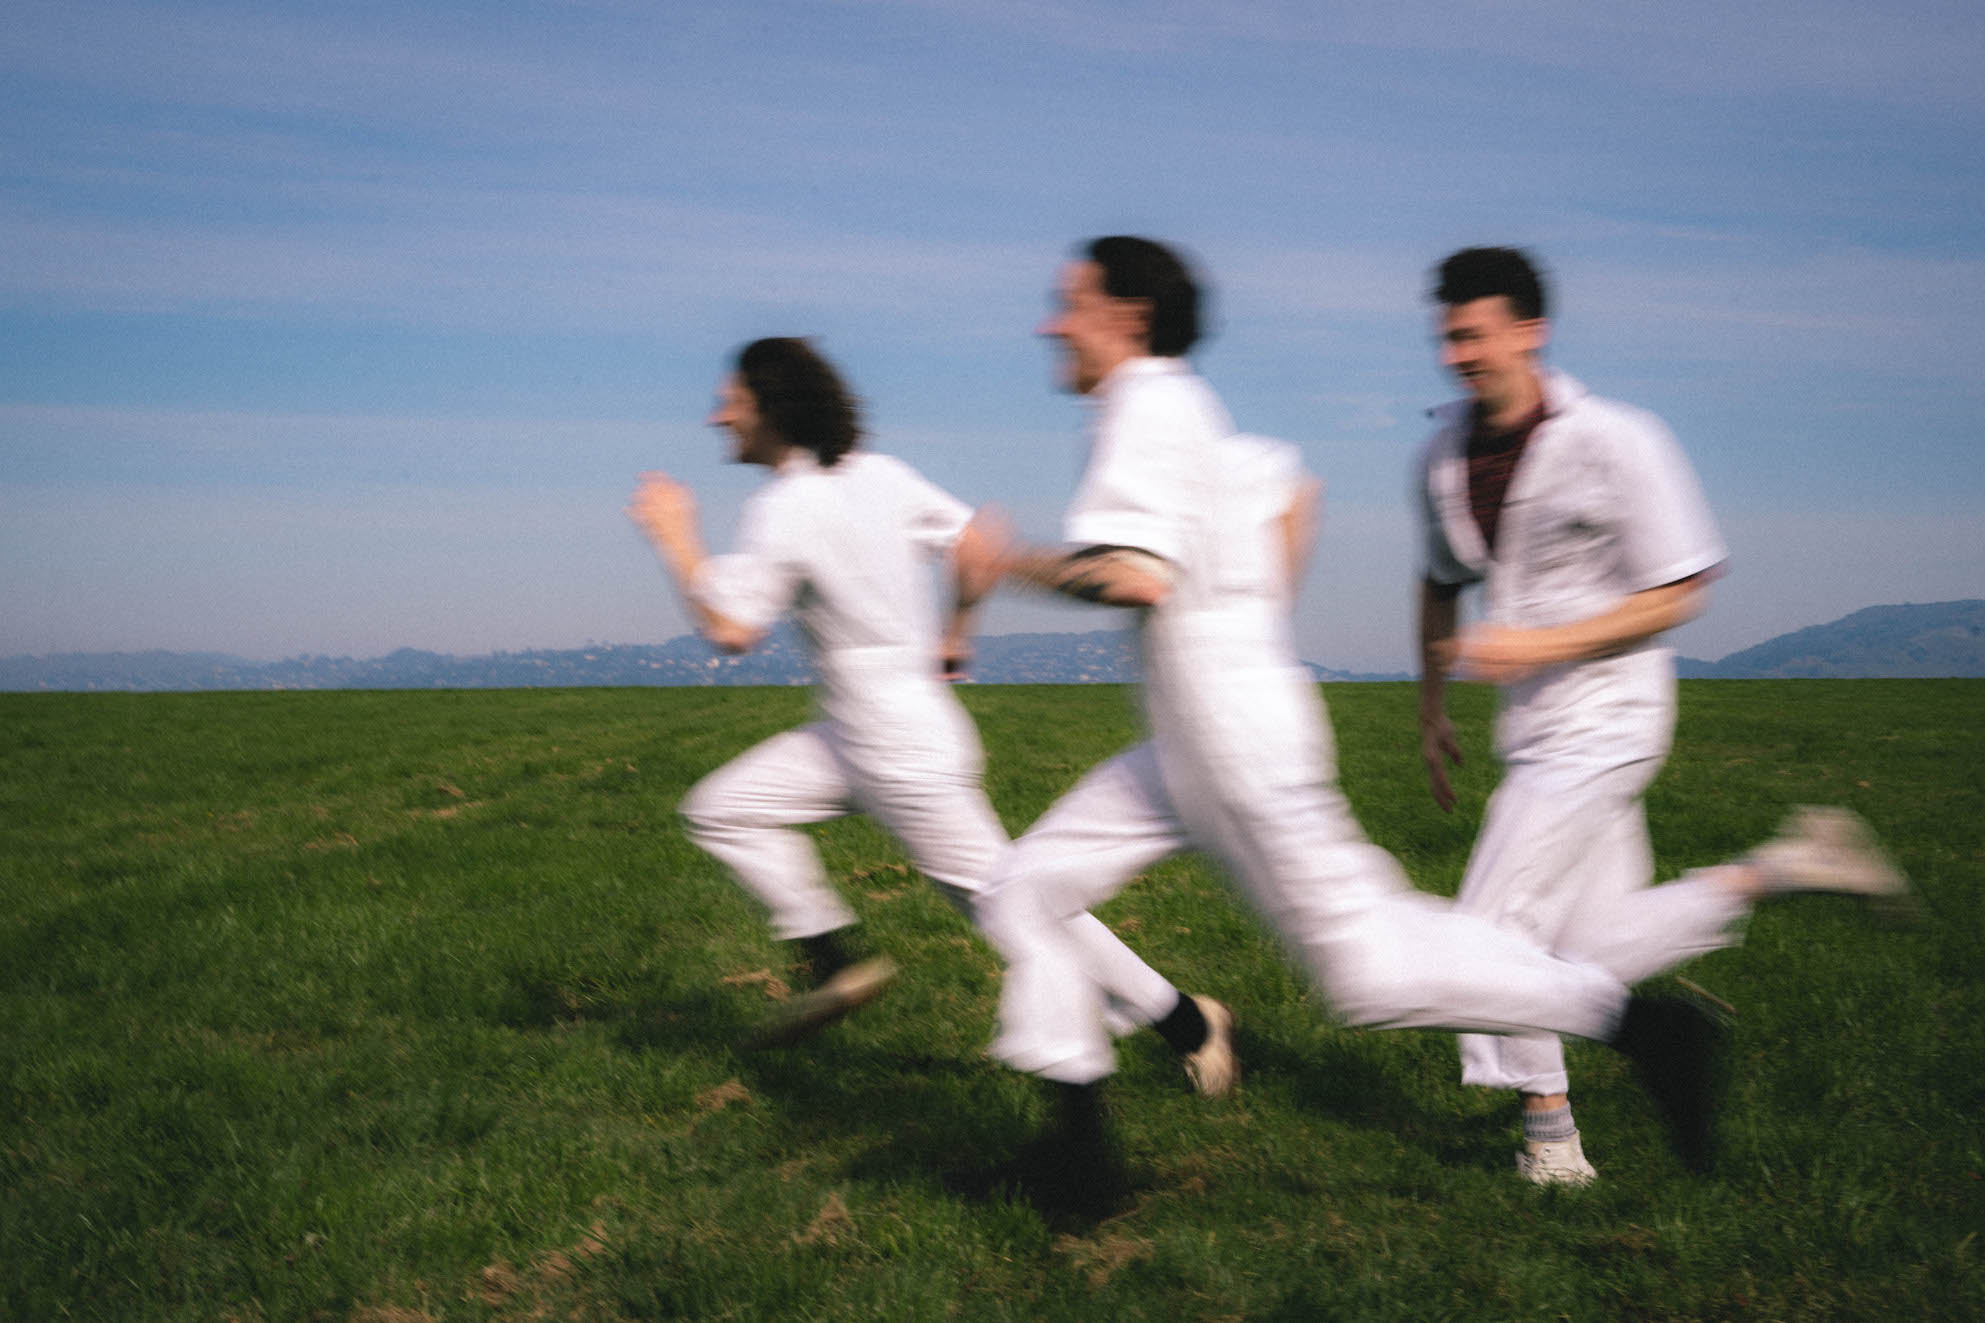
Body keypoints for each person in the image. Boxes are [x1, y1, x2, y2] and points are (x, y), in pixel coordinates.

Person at [969, 236, 1908, 1187]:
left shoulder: (1149, 403)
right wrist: (1381, 679)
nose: (1052, 323)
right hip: (1202, 730)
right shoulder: (1258, 424)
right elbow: (1295, 490)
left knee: (1371, 974)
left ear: (1128, 317)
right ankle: (1080, 1152)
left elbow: (1136, 575)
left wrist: (1006, 563)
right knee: (1022, 889)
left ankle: (1636, 1039)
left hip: (1247, 739)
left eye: (1070, 304)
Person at [626, 336, 1230, 1117]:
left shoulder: (783, 507)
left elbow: (731, 628)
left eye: (729, 401)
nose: (716, 416)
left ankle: (1187, 1021)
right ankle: (832, 959)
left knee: (1018, 908)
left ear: (771, 410)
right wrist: (957, 627)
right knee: (721, 807)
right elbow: (977, 545)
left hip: (899, 752)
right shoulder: (880, 475)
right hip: (856, 734)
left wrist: (674, 537)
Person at [1413, 246, 1913, 1185]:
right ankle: (1787, 866)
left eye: (1472, 333)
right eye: (1445, 335)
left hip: (1610, 718)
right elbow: (1437, 576)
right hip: (1529, 730)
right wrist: (1432, 703)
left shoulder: (1617, 439)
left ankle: (1550, 1139)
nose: (1455, 353)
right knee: (1591, 948)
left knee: (1483, 933)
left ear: (1529, 330)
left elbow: (1682, 587)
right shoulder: (1443, 452)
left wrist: (1537, 646)